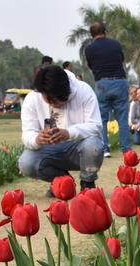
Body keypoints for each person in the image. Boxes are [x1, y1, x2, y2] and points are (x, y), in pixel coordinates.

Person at [18, 66, 104, 195]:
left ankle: (87, 182)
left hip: (79, 147)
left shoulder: (83, 90)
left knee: (93, 145)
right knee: (26, 163)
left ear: (67, 91)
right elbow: (27, 133)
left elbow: (95, 125)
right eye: (49, 100)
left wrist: (68, 133)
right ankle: (62, 182)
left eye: (58, 100)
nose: (54, 104)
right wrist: (36, 139)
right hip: (51, 149)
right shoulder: (32, 98)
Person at [85, 22, 131, 158]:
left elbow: (91, 65)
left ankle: (104, 149)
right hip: (119, 81)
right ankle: (126, 149)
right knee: (122, 118)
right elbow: (121, 59)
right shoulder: (115, 43)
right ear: (105, 31)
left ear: (90, 34)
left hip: (102, 83)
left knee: (102, 119)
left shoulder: (89, 49)